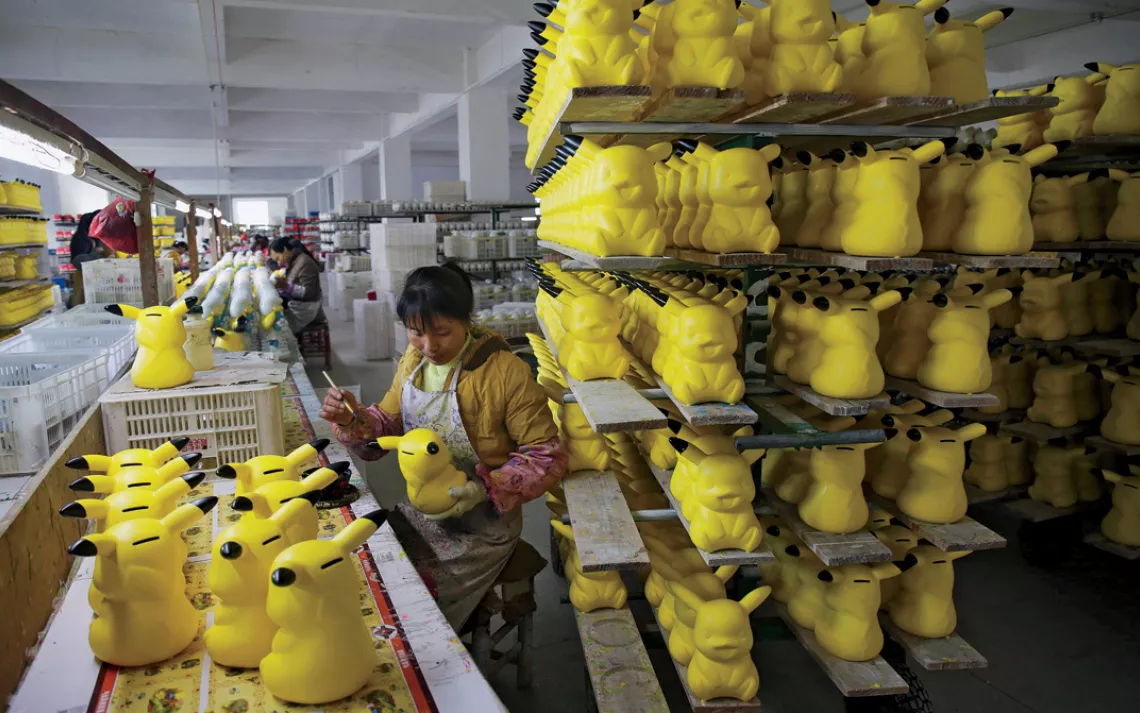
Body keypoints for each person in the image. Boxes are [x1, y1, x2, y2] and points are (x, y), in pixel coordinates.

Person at [319, 265, 567, 629]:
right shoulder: (413, 362)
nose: (430, 346)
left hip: (482, 525)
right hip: (424, 510)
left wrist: (485, 487)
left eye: (443, 332)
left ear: (466, 319)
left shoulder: (504, 372)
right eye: (416, 333)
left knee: (411, 604)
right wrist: (351, 420)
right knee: (370, 571)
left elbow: (546, 456)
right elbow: (384, 429)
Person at [269, 237, 325, 332]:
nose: (279, 262)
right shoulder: (294, 261)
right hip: (298, 304)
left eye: (278, 258)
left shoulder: (304, 262)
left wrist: (286, 286)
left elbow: (310, 293)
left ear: (285, 250)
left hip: (305, 309)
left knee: (279, 329)